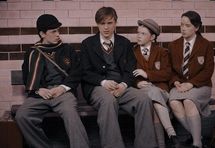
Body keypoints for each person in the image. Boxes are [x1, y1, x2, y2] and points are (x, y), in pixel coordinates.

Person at [80, 7, 157, 148]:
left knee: (144, 100)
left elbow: (130, 70)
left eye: (109, 23)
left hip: (121, 87)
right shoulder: (87, 44)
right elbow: (84, 72)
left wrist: (124, 85)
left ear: (116, 23)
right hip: (98, 87)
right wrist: (103, 82)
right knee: (108, 101)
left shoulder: (125, 43)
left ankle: (146, 145)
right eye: (102, 23)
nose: (106, 27)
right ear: (97, 24)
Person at [15, 14, 90, 148]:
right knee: (22, 115)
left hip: (63, 93)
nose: (58, 34)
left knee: (70, 113)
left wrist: (62, 88)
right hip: (40, 94)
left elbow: (76, 72)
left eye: (58, 30)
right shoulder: (32, 53)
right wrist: (38, 90)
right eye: (53, 31)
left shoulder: (67, 49)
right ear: (42, 34)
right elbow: (27, 77)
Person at [133, 19, 183, 148]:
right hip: (143, 91)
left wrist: (147, 74)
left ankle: (162, 144)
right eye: (138, 32)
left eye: (143, 33)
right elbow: (128, 74)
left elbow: (167, 73)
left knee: (154, 96)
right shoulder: (133, 52)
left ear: (153, 37)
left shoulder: (162, 52)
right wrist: (137, 84)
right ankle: (171, 134)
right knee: (152, 96)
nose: (138, 36)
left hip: (162, 91)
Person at [168, 11, 215, 148]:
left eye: (187, 25)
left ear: (197, 27)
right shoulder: (173, 45)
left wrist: (191, 84)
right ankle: (198, 136)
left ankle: (197, 143)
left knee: (189, 101)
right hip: (180, 86)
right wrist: (175, 81)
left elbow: (208, 71)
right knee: (174, 102)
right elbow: (170, 70)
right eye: (181, 25)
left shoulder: (206, 45)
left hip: (201, 85)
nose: (183, 28)